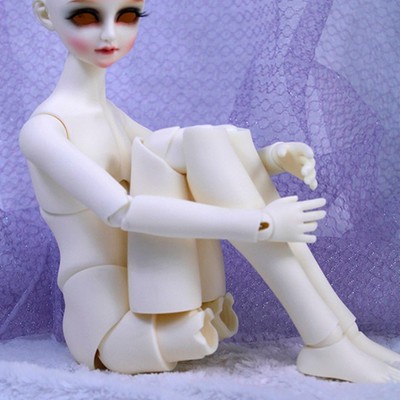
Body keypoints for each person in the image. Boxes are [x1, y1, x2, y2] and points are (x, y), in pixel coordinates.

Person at [19, 0, 400, 382]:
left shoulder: (111, 116)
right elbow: (123, 211)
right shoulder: (44, 131)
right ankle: (326, 338)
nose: (109, 33)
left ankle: (341, 334)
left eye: (127, 16)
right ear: (45, 13)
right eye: (85, 16)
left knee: (199, 141)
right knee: (179, 146)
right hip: (115, 327)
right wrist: (262, 224)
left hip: (157, 287)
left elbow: (201, 163)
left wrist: (270, 158)